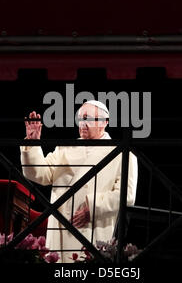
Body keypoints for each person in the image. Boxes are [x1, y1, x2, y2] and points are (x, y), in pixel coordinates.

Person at [20, 100, 138, 263]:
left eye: (88, 118)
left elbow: (127, 195)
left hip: (90, 228)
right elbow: (40, 174)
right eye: (80, 119)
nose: (83, 123)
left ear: (105, 122)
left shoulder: (121, 154)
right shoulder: (65, 148)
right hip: (60, 227)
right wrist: (32, 143)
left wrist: (93, 207)